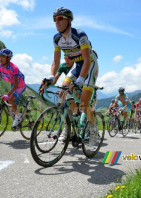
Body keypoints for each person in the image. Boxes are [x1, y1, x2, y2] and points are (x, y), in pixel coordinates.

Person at [44, 7, 99, 145]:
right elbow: (56, 61)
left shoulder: (79, 35)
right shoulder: (57, 38)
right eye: (55, 19)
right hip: (77, 66)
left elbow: (86, 60)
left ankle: (93, 129)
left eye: (60, 18)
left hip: (90, 65)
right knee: (63, 93)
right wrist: (51, 76)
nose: (57, 22)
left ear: (69, 20)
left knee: (84, 103)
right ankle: (66, 128)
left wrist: (81, 79)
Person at [0, 49, 26, 128]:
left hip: (20, 85)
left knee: (10, 99)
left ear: (9, 58)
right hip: (13, 84)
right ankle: (14, 113)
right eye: (0, 56)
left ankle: (18, 116)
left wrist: (8, 95)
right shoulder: (0, 66)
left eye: (3, 56)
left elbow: (16, 84)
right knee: (8, 101)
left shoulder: (14, 68)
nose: (1, 58)